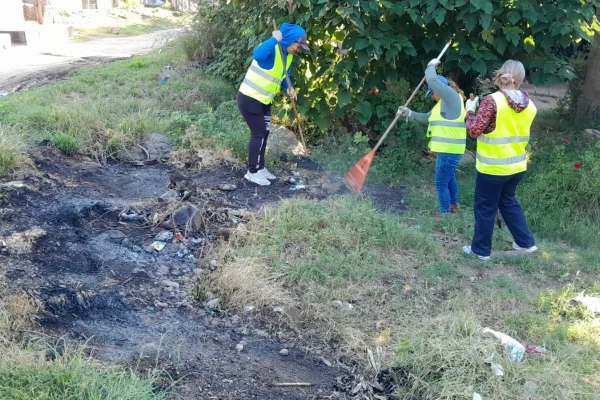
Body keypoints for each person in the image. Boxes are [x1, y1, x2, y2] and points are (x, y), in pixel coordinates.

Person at [462, 60, 538, 260]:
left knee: (485, 207)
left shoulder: (492, 101)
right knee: (508, 202)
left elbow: (473, 130)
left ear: (500, 76)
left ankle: (480, 251)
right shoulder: (530, 104)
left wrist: (469, 111)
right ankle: (526, 243)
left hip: (493, 167)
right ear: (520, 79)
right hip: (517, 166)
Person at [237, 23, 309, 186]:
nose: (299, 50)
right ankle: (252, 172)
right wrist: (273, 39)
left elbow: (285, 75)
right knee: (259, 132)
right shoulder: (272, 49)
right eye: (299, 46)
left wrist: (289, 87)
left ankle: (260, 167)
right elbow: (257, 54)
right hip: (249, 98)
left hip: (264, 100)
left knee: (265, 133)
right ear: (289, 40)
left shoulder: (287, 56)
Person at [398, 59, 467, 219]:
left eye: (433, 93)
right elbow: (426, 118)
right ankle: (453, 204)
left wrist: (430, 66)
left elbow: (432, 79)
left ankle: (445, 214)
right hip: (449, 150)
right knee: (449, 178)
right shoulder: (443, 104)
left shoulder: (450, 97)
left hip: (450, 150)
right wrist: (408, 113)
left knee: (440, 183)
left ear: (439, 90)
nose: (432, 96)